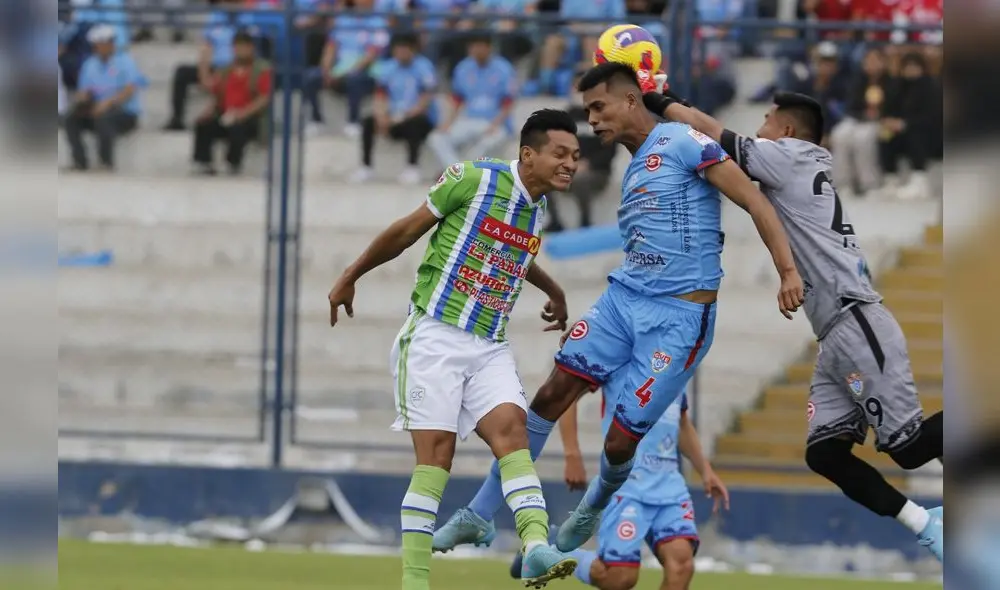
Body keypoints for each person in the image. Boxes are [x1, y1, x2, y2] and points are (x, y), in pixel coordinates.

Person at [432, 62, 803, 555]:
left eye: (599, 107)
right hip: (623, 301)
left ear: (631, 101)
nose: (593, 120)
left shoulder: (683, 142)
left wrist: (788, 271)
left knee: (618, 445)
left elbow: (755, 202)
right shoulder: (633, 167)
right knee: (548, 397)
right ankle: (478, 514)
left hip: (678, 319)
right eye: (588, 111)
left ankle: (594, 505)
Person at [639, 73, 944, 560]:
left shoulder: (792, 157)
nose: (758, 127)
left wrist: (653, 97)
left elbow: (711, 132)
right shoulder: (798, 164)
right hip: (834, 333)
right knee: (824, 453)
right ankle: (927, 523)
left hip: (856, 320)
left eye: (765, 119)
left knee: (906, 448)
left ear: (788, 132)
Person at [327, 109, 584, 589]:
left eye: (575, 156)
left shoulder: (537, 207)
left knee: (513, 433)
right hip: (434, 337)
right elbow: (406, 230)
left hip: (489, 344)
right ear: (528, 155)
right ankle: (416, 581)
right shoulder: (474, 179)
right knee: (436, 458)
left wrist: (554, 289)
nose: (571, 163)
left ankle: (535, 547)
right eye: (560, 154)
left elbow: (516, 255)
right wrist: (350, 275)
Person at [510, 387, 730, 590]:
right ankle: (552, 552)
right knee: (619, 578)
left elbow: (681, 422)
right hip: (626, 485)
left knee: (682, 566)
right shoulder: (618, 353)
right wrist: (572, 453)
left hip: (669, 487)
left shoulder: (677, 360)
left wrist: (706, 470)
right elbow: (569, 394)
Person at [353, 33, 436, 185]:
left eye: (405, 49)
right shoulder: (388, 67)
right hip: (393, 116)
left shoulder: (424, 67)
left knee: (415, 123)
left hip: (415, 116)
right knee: (368, 121)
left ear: (413, 50)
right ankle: (366, 167)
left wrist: (402, 117)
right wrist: (381, 115)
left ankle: (412, 167)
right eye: (398, 49)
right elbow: (380, 95)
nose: (401, 53)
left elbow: (425, 99)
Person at [427, 34, 517, 170]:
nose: (477, 50)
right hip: (469, 119)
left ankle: (465, 172)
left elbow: (509, 101)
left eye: (481, 46)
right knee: (436, 138)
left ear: (489, 48)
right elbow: (457, 100)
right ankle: (456, 171)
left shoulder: (503, 68)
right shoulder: (463, 67)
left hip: (495, 122)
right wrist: (447, 123)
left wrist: (495, 124)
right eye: (474, 46)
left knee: (490, 141)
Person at [192, 31, 272, 175]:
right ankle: (203, 163)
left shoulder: (262, 69)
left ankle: (233, 163)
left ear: (251, 48)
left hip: (251, 117)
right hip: (226, 114)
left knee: (238, 127)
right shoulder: (226, 70)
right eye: (237, 47)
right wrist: (203, 64)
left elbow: (264, 98)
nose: (240, 51)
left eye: (243, 47)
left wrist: (242, 114)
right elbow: (213, 90)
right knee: (204, 125)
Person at [63, 24, 141, 171]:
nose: (97, 47)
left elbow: (129, 89)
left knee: (104, 118)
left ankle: (106, 162)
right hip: (97, 109)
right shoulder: (90, 64)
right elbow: (84, 89)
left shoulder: (126, 61)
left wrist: (107, 104)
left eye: (101, 44)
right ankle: (79, 161)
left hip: (124, 113)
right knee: (70, 118)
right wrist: (82, 99)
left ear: (110, 43)